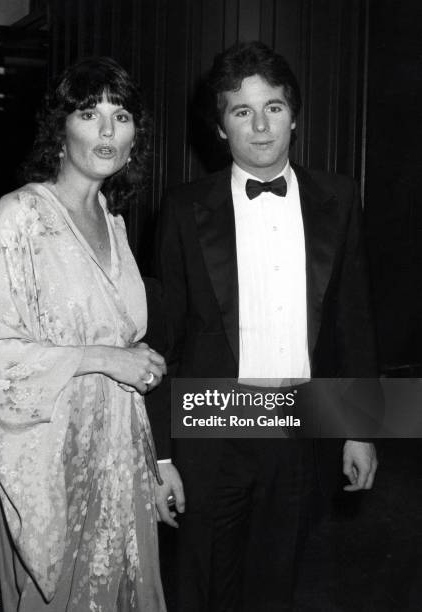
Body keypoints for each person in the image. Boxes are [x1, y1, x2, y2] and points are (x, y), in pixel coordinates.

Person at [150, 41, 379, 611]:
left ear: (294, 116)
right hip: (211, 423)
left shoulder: (340, 197)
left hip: (303, 423)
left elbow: (353, 319)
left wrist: (361, 428)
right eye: (241, 111)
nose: (259, 126)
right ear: (221, 127)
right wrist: (157, 457)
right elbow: (163, 342)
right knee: (203, 586)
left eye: (273, 108)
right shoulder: (181, 209)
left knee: (277, 586)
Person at [0, 57, 167, 611]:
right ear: (60, 128)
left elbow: (115, 332)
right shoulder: (19, 216)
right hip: (50, 453)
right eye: (89, 113)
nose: (106, 130)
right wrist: (102, 357)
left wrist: (135, 359)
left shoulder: (114, 220)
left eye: (121, 116)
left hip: (118, 449)